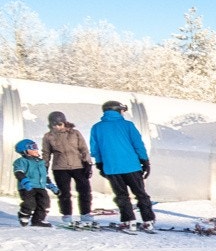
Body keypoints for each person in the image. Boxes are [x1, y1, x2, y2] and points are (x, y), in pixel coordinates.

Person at [89, 99, 155, 233]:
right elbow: (138, 144)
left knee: (121, 195)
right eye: (122, 110)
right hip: (132, 166)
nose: (123, 113)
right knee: (141, 194)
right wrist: (145, 161)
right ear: (117, 111)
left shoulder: (97, 127)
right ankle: (148, 221)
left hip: (112, 168)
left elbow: (95, 148)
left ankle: (129, 222)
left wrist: (100, 164)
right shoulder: (128, 125)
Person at [41, 112, 94, 228]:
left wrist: (87, 163)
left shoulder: (75, 133)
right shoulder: (48, 136)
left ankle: (85, 213)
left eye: (59, 124)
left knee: (84, 190)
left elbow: (84, 148)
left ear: (64, 122)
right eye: (54, 125)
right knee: (64, 192)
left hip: (78, 166)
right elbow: (46, 153)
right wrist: (44, 167)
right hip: (60, 168)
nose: (57, 127)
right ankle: (67, 215)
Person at [12, 140, 58, 226]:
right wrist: (25, 182)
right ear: (25, 151)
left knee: (44, 203)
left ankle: (38, 220)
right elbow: (18, 172)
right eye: (33, 148)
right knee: (30, 203)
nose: (36, 149)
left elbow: (45, 176)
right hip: (27, 187)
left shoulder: (41, 162)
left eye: (36, 147)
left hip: (40, 187)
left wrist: (51, 186)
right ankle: (24, 215)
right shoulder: (21, 161)